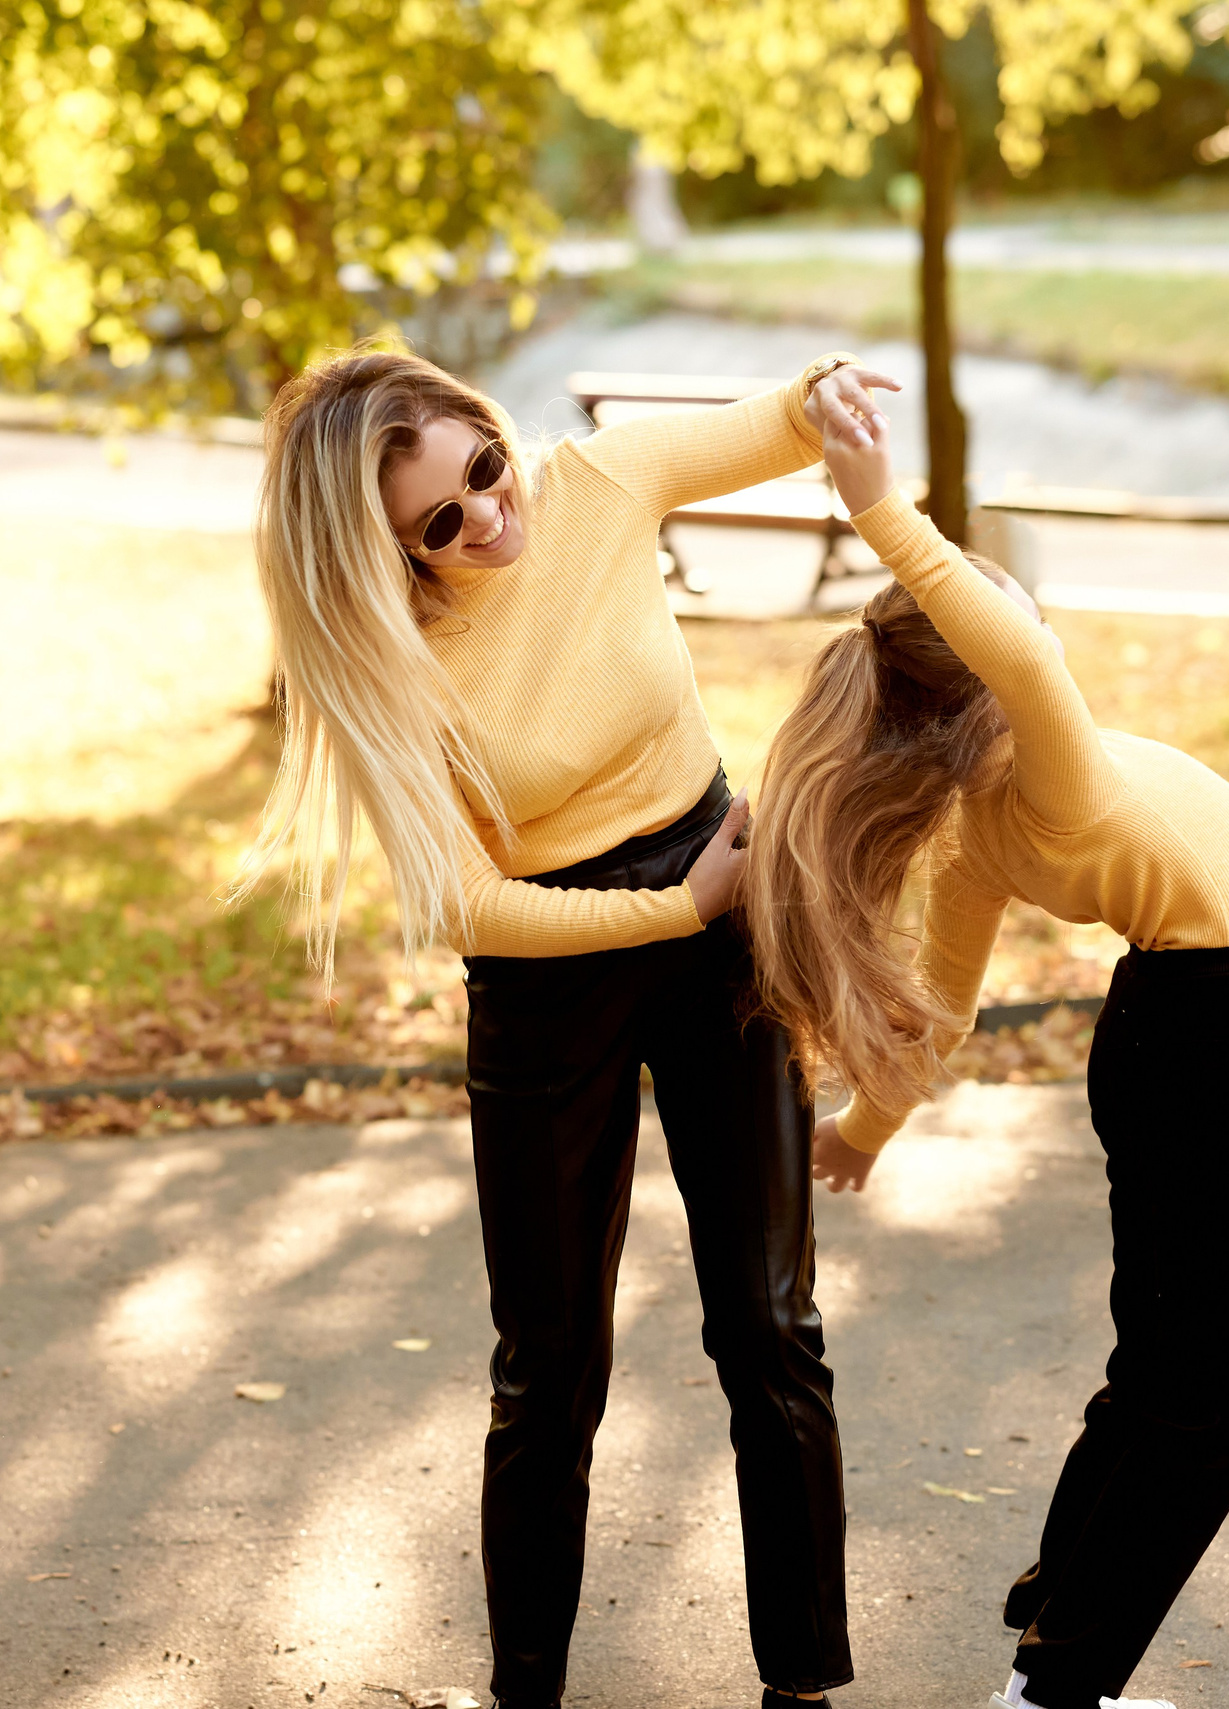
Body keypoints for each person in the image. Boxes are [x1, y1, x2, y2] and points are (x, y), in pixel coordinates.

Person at [241, 347, 899, 1709]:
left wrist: (824, 394)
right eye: (441, 523)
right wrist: (678, 905)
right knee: (552, 1368)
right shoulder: (390, 662)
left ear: (491, 429)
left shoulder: (593, 483)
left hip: (715, 926)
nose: (487, 516)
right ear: (394, 553)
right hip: (550, 967)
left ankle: (805, 1690)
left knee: (769, 1326)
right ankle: (524, 1693)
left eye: (481, 469)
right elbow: (478, 912)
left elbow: (770, 423)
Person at [742, 384, 1229, 1709]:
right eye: (1022, 630)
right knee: (1214, 1400)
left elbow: (940, 1005)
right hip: (1215, 1025)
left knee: (1162, 1373)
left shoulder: (987, 822)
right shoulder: (1041, 762)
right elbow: (1011, 646)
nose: (1041, 638)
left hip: (1172, 1025)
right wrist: (881, 509)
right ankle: (1059, 1690)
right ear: (990, 680)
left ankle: (1063, 1652)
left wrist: (862, 1133)